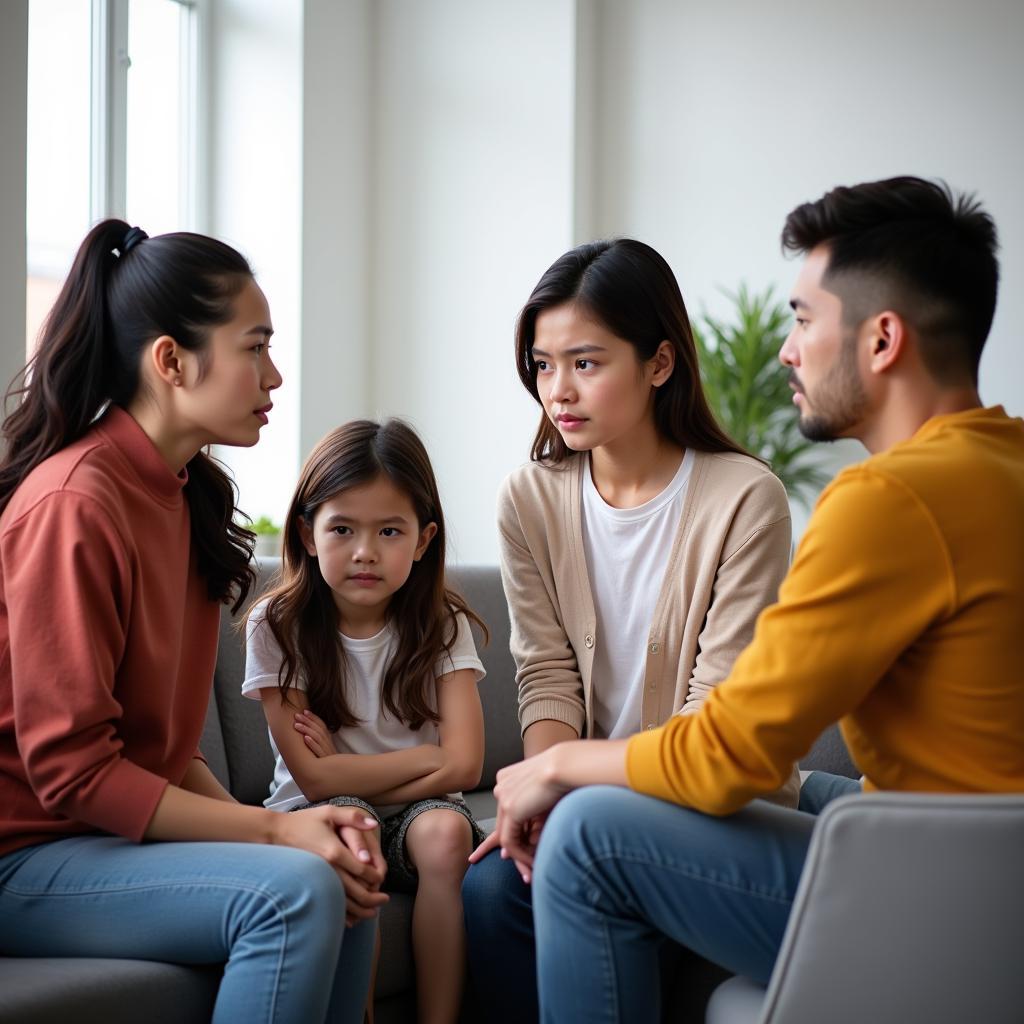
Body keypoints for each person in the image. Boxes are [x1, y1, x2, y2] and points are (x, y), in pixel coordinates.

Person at [490, 176, 1024, 1022]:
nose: (786, 350)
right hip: (973, 856)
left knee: (590, 838)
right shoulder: (1003, 463)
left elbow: (727, 755)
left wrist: (554, 766)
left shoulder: (890, 499)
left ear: (882, 340)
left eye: (804, 319)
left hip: (950, 902)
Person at [0, 220, 381, 1024]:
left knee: (344, 876)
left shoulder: (184, 496)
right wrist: (275, 838)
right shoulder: (74, 504)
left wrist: (289, 824)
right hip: (22, 859)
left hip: (100, 843)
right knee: (294, 892)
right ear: (171, 361)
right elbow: (74, 772)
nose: (274, 376)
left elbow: (160, 754)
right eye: (255, 347)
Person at [462, 238, 800, 1021]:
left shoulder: (745, 499)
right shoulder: (530, 498)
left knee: (581, 848)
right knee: (488, 889)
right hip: (580, 796)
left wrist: (568, 786)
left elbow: (714, 713)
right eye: (542, 365)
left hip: (709, 813)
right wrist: (546, 799)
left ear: (659, 363)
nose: (558, 391)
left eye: (585, 363)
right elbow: (544, 673)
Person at [243, 418, 488, 1024]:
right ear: (306, 533)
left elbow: (468, 764)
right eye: (342, 529)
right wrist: (428, 759)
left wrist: (352, 766)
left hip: (417, 816)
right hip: (317, 813)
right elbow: (317, 783)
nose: (365, 552)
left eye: (389, 530)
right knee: (357, 832)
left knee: (447, 835)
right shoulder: (277, 625)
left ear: (424, 539)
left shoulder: (442, 624)